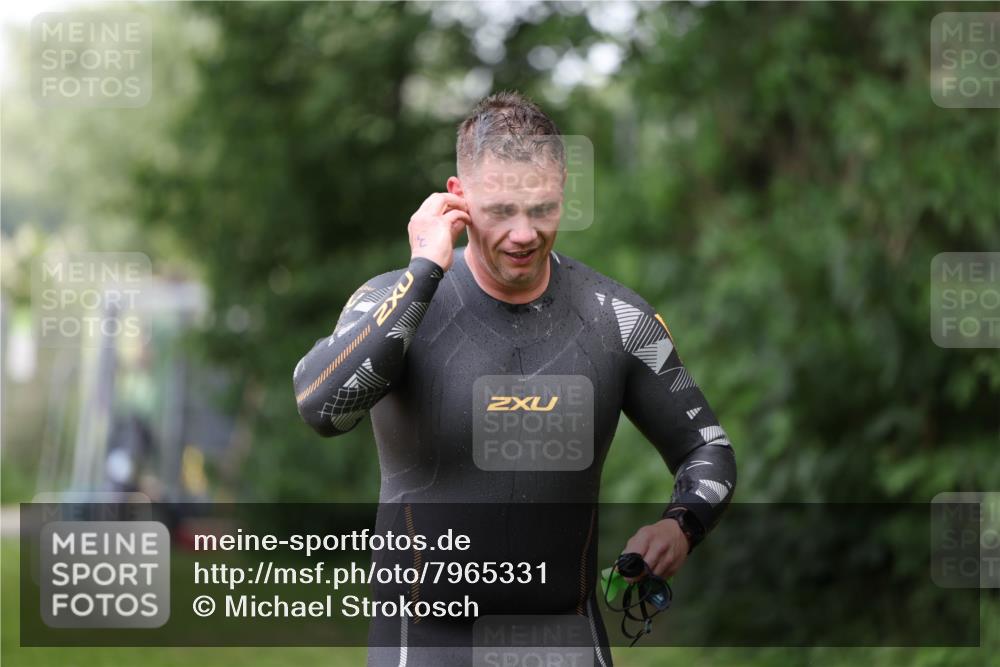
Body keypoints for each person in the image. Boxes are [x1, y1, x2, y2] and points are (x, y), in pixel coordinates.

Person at [293, 91, 737, 666]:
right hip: (425, 643)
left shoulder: (617, 319)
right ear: (458, 198)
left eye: (542, 208)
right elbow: (323, 408)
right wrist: (424, 270)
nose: (524, 233)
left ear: (564, 193)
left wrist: (682, 525)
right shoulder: (396, 302)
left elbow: (708, 448)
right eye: (501, 210)